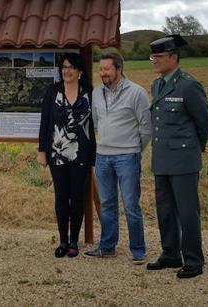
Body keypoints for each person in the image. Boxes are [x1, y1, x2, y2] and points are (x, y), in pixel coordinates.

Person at [146, 35, 208, 278]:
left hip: (184, 160)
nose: (154, 60)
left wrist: (196, 147)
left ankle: (194, 260)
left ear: (173, 58)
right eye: (153, 56)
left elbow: (204, 122)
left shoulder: (188, 85)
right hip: (162, 159)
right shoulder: (158, 85)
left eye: (159, 56)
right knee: (165, 210)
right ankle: (171, 253)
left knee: (187, 212)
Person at [85, 52, 151, 264]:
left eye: (107, 69)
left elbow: (146, 128)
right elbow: (96, 123)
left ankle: (138, 250)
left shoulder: (137, 93)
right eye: (101, 69)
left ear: (119, 69)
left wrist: (133, 150)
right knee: (107, 204)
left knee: (131, 205)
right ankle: (107, 246)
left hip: (127, 156)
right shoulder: (96, 93)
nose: (102, 73)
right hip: (103, 157)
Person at [37, 53, 96, 258]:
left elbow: (96, 124)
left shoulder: (89, 92)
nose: (66, 71)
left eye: (71, 67)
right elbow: (45, 123)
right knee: (61, 196)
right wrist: (42, 151)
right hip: (57, 152)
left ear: (80, 72)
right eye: (64, 67)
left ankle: (74, 241)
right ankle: (62, 240)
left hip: (82, 152)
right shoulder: (53, 91)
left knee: (78, 197)